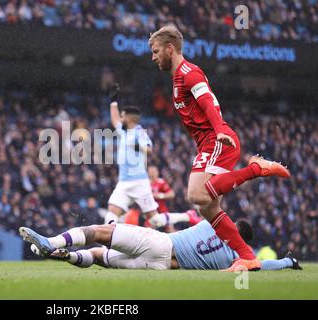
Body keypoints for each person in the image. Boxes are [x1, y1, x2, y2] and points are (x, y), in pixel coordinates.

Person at [148, 26, 290, 271]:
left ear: (169, 49)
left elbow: (207, 102)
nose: (153, 57)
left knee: (197, 195)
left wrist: (220, 129)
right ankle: (247, 256)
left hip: (217, 140)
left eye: (156, 51)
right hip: (210, 141)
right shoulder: (178, 77)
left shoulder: (188, 73)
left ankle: (256, 169)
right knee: (208, 208)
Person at [18, 221, 302, 272]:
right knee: (100, 257)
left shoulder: (213, 223)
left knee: (99, 233)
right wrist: (288, 262)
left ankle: (51, 242)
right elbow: (263, 266)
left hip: (161, 243)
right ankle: (65, 255)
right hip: (160, 267)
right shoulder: (235, 258)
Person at [104, 84, 160, 225]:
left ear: (129, 118)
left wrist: (137, 146)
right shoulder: (124, 132)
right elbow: (115, 120)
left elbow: (148, 149)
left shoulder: (139, 132)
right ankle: (111, 242)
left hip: (139, 182)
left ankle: (184, 217)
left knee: (155, 220)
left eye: (123, 115)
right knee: (112, 211)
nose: (121, 118)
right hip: (123, 181)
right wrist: (113, 102)